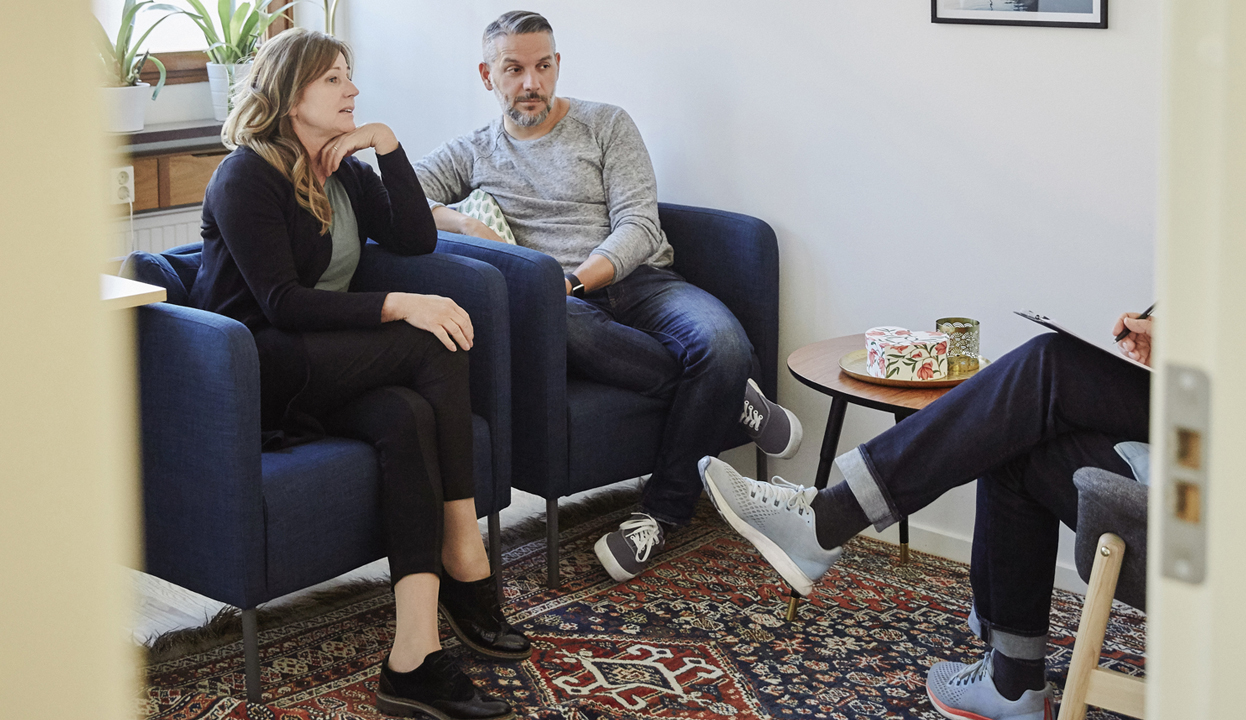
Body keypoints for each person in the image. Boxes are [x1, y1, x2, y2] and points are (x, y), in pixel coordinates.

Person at [189, 28, 524, 720]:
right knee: (434, 344)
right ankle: (465, 552)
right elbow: (280, 302)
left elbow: (416, 238)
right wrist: (401, 304)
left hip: (326, 363)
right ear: (292, 95)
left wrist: (387, 146)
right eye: (335, 79)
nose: (353, 90)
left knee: (407, 415)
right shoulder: (246, 175)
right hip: (256, 365)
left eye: (349, 75)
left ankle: (412, 658)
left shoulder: (340, 166)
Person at [413, 11, 801, 584]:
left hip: (640, 282)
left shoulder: (605, 124)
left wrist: (574, 279)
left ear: (557, 65)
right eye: (514, 69)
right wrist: (465, 225)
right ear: (487, 74)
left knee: (722, 342)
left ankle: (658, 511)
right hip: (562, 311)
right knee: (554, 319)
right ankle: (726, 396)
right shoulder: (472, 151)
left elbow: (640, 225)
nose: (531, 83)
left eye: (543, 66)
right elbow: (399, 198)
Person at [699, 313, 1154, 720]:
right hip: (1188, 443)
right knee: (1017, 422)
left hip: (1193, 497)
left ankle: (826, 521)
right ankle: (1013, 684)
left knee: (1047, 365)